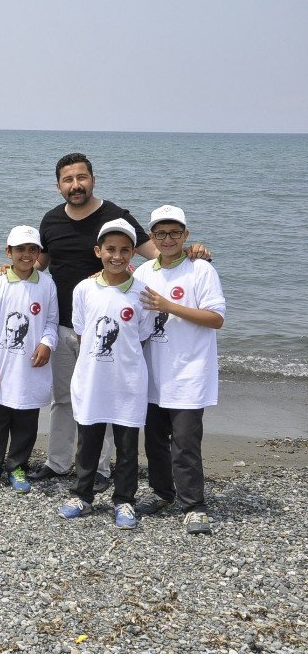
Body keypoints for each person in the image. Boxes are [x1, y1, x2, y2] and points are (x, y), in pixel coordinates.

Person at [29, 152, 210, 492]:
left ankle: (99, 468)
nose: (75, 185)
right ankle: (57, 462)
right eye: (68, 180)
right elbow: (39, 264)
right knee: (64, 399)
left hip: (109, 327)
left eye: (81, 178)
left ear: (93, 180)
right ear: (58, 186)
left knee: (105, 397)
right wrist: (9, 270)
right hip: (65, 326)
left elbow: (157, 253)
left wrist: (191, 255)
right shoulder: (51, 221)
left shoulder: (115, 216)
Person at [58, 219, 156, 530]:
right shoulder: (85, 288)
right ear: (98, 251)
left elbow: (140, 337)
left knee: (127, 445)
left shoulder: (142, 293)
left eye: (125, 250)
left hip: (127, 380)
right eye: (110, 249)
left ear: (133, 254)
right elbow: (83, 333)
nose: (117, 256)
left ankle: (124, 500)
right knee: (88, 441)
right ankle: (82, 495)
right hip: (92, 379)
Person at [134, 205, 225, 535]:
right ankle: (162, 494)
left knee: (185, 442)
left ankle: (194, 505)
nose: (168, 238)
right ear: (152, 237)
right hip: (153, 374)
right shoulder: (144, 273)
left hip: (189, 373)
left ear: (186, 235)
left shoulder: (200, 270)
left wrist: (170, 306)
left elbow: (216, 318)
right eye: (161, 233)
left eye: (175, 232)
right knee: (155, 441)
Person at [0, 226, 58, 493]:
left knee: (26, 422)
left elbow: (52, 322)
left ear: (38, 253)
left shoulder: (46, 283)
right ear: (9, 252)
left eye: (32, 249)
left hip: (31, 368)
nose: (26, 254)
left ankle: (17, 466)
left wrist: (46, 343)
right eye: (19, 249)